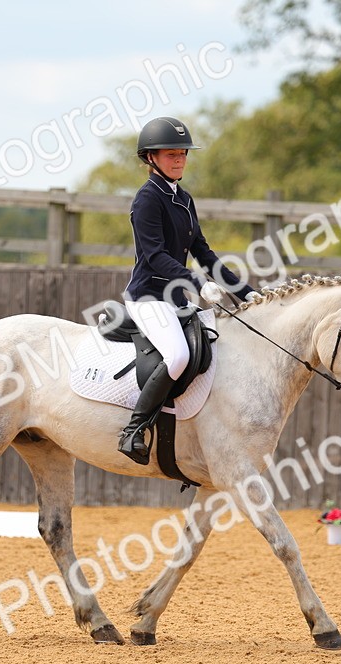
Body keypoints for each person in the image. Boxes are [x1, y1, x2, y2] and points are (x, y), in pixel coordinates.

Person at [117, 116, 255, 464]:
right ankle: (133, 429)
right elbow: (155, 255)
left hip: (176, 300)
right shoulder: (147, 200)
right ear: (150, 158)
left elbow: (205, 254)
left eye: (182, 154)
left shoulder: (184, 198)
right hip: (149, 296)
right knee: (178, 356)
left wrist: (247, 293)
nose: (179, 161)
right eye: (170, 155)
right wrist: (196, 283)